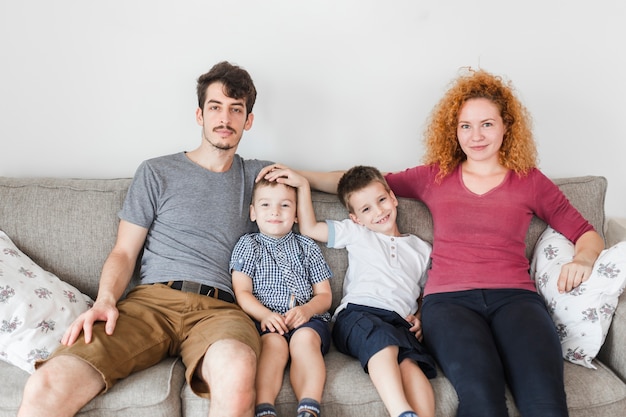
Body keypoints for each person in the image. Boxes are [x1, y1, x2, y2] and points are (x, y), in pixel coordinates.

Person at [260, 69, 605, 417]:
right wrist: (299, 176)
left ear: (506, 126)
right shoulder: (436, 176)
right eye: (465, 126)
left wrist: (583, 260)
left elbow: (587, 234)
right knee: (482, 402)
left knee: (546, 404)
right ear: (454, 131)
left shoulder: (530, 181)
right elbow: (360, 182)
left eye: (487, 124)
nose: (476, 136)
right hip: (450, 305)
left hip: (516, 298)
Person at [18, 61, 274, 417]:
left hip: (220, 311)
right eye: (215, 107)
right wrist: (105, 300)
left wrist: (370, 184)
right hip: (149, 304)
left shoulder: (258, 176)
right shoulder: (157, 171)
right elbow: (124, 252)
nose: (225, 119)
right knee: (48, 383)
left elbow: (333, 181)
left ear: (248, 120)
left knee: (237, 368)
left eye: (236, 110)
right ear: (200, 115)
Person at [277, 165, 436, 417]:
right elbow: (309, 228)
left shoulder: (422, 249)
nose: (379, 211)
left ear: (393, 198)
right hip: (358, 314)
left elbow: (429, 292)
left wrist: (422, 317)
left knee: (411, 364)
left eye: (382, 200)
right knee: (383, 345)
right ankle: (401, 412)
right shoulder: (356, 233)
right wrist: (303, 186)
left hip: (399, 322)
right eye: (366, 209)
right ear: (356, 218)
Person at [231, 178, 333, 417]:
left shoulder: (306, 245)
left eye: (285, 205)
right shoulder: (248, 245)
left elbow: (325, 295)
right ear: (253, 213)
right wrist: (265, 315)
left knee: (305, 340)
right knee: (272, 345)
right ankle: (265, 408)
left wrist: (307, 310)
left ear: (296, 214)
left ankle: (309, 406)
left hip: (307, 319)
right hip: (266, 320)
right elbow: (242, 292)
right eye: (266, 205)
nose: (275, 211)